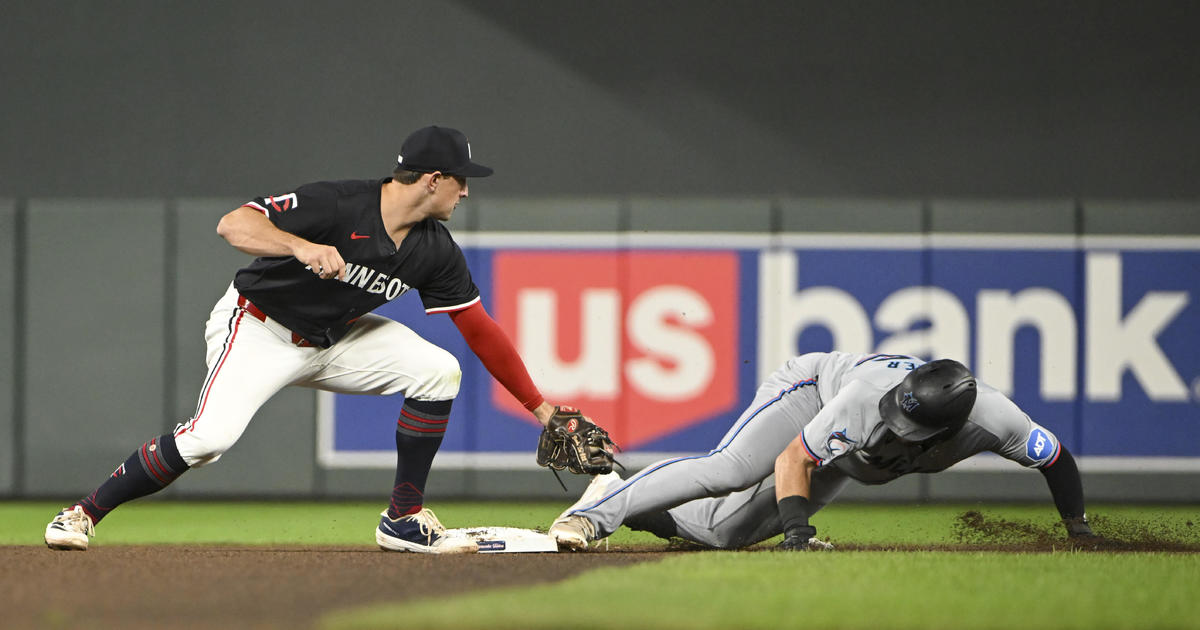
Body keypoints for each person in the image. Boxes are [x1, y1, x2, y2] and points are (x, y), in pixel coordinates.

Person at [46, 125, 575, 554]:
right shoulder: (340, 203)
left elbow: (479, 329)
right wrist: (299, 246)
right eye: (461, 180)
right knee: (209, 439)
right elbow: (233, 225)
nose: (466, 191)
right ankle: (83, 513)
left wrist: (540, 408)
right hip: (258, 326)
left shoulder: (436, 250)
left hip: (334, 339)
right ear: (433, 179)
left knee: (439, 370)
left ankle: (403, 519)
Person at [548, 352, 1099, 551]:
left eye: (910, 423)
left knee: (722, 535)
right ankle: (594, 516)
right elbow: (794, 460)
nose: (896, 422)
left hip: (853, 457)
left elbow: (1057, 459)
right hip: (812, 390)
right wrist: (797, 535)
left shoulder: (997, 421)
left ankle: (626, 495)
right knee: (730, 470)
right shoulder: (863, 398)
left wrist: (1078, 529)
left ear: (948, 427)